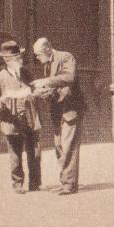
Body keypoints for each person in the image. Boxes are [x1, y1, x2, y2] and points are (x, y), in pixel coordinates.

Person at [31, 37, 83, 196]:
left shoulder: (65, 57)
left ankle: (69, 185)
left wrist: (45, 81)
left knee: (68, 147)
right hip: (58, 111)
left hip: (70, 110)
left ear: (48, 49)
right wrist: (44, 92)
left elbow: (69, 77)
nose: (37, 58)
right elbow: (57, 88)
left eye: (38, 55)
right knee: (59, 146)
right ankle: (65, 182)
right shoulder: (48, 64)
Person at [0, 40, 42, 194]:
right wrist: (3, 100)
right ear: (7, 60)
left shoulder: (27, 73)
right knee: (15, 155)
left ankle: (35, 184)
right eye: (16, 58)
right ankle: (18, 184)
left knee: (35, 153)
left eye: (20, 56)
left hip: (30, 118)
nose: (20, 60)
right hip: (12, 120)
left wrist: (33, 95)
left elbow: (35, 91)